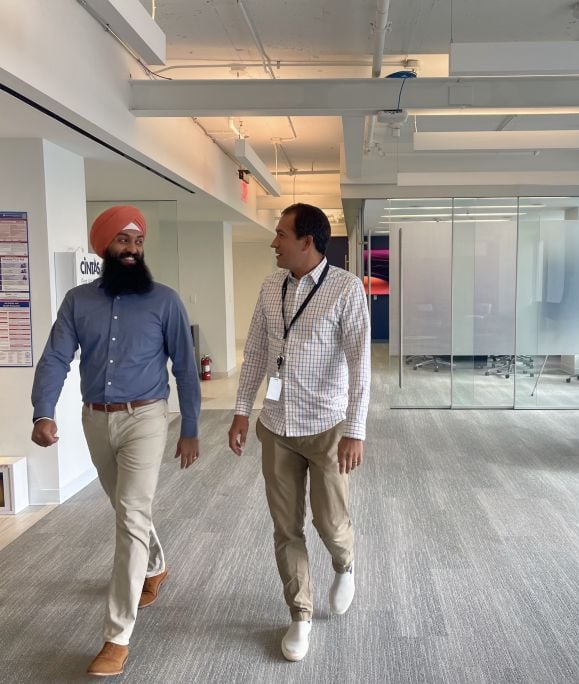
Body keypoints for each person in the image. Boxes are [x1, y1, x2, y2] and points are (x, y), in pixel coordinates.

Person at [31, 205, 201, 678]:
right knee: (127, 507)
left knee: (129, 513)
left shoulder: (165, 301)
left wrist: (189, 428)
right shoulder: (77, 301)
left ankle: (116, 636)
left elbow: (186, 367)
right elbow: (55, 358)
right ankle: (156, 564)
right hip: (95, 420)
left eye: (138, 241)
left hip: (146, 417)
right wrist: (42, 411)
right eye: (122, 241)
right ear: (103, 246)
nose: (131, 249)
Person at [228, 203, 370, 662]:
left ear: (307, 241)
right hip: (276, 425)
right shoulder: (271, 287)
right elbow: (255, 355)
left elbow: (359, 366)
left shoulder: (346, 290)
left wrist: (355, 430)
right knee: (286, 527)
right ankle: (300, 614)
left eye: (281, 235)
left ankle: (345, 563)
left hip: (326, 426)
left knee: (329, 521)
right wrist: (240, 412)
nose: (274, 242)